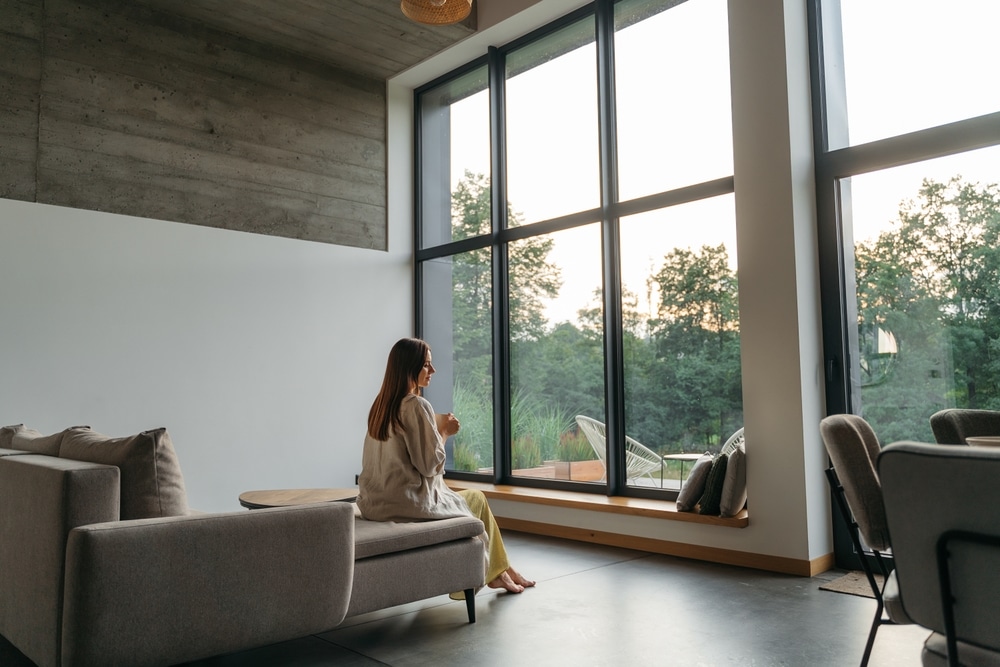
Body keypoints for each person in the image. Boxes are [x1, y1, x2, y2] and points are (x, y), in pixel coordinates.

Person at [357, 337, 535, 594]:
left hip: (375, 503)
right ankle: (492, 574)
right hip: (406, 504)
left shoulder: (380, 407)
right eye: (427, 364)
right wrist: (445, 432)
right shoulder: (416, 405)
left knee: (468, 498)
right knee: (477, 498)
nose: (433, 370)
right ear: (410, 366)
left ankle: (503, 570)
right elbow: (430, 466)